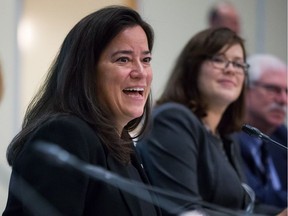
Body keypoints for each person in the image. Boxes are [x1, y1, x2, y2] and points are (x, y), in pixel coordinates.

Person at [3, 5, 161, 216]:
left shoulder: (122, 144)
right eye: (123, 59)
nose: (141, 72)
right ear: (86, 71)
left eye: (146, 60)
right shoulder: (64, 134)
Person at [136, 28, 285, 216]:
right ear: (193, 67)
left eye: (238, 64)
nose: (230, 69)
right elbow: (186, 211)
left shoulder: (225, 135)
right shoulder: (173, 121)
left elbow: (244, 209)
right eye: (218, 59)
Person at [233, 54, 287, 210]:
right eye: (273, 89)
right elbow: (252, 197)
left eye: (286, 91)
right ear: (245, 89)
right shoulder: (227, 136)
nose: (283, 100)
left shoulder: (281, 135)